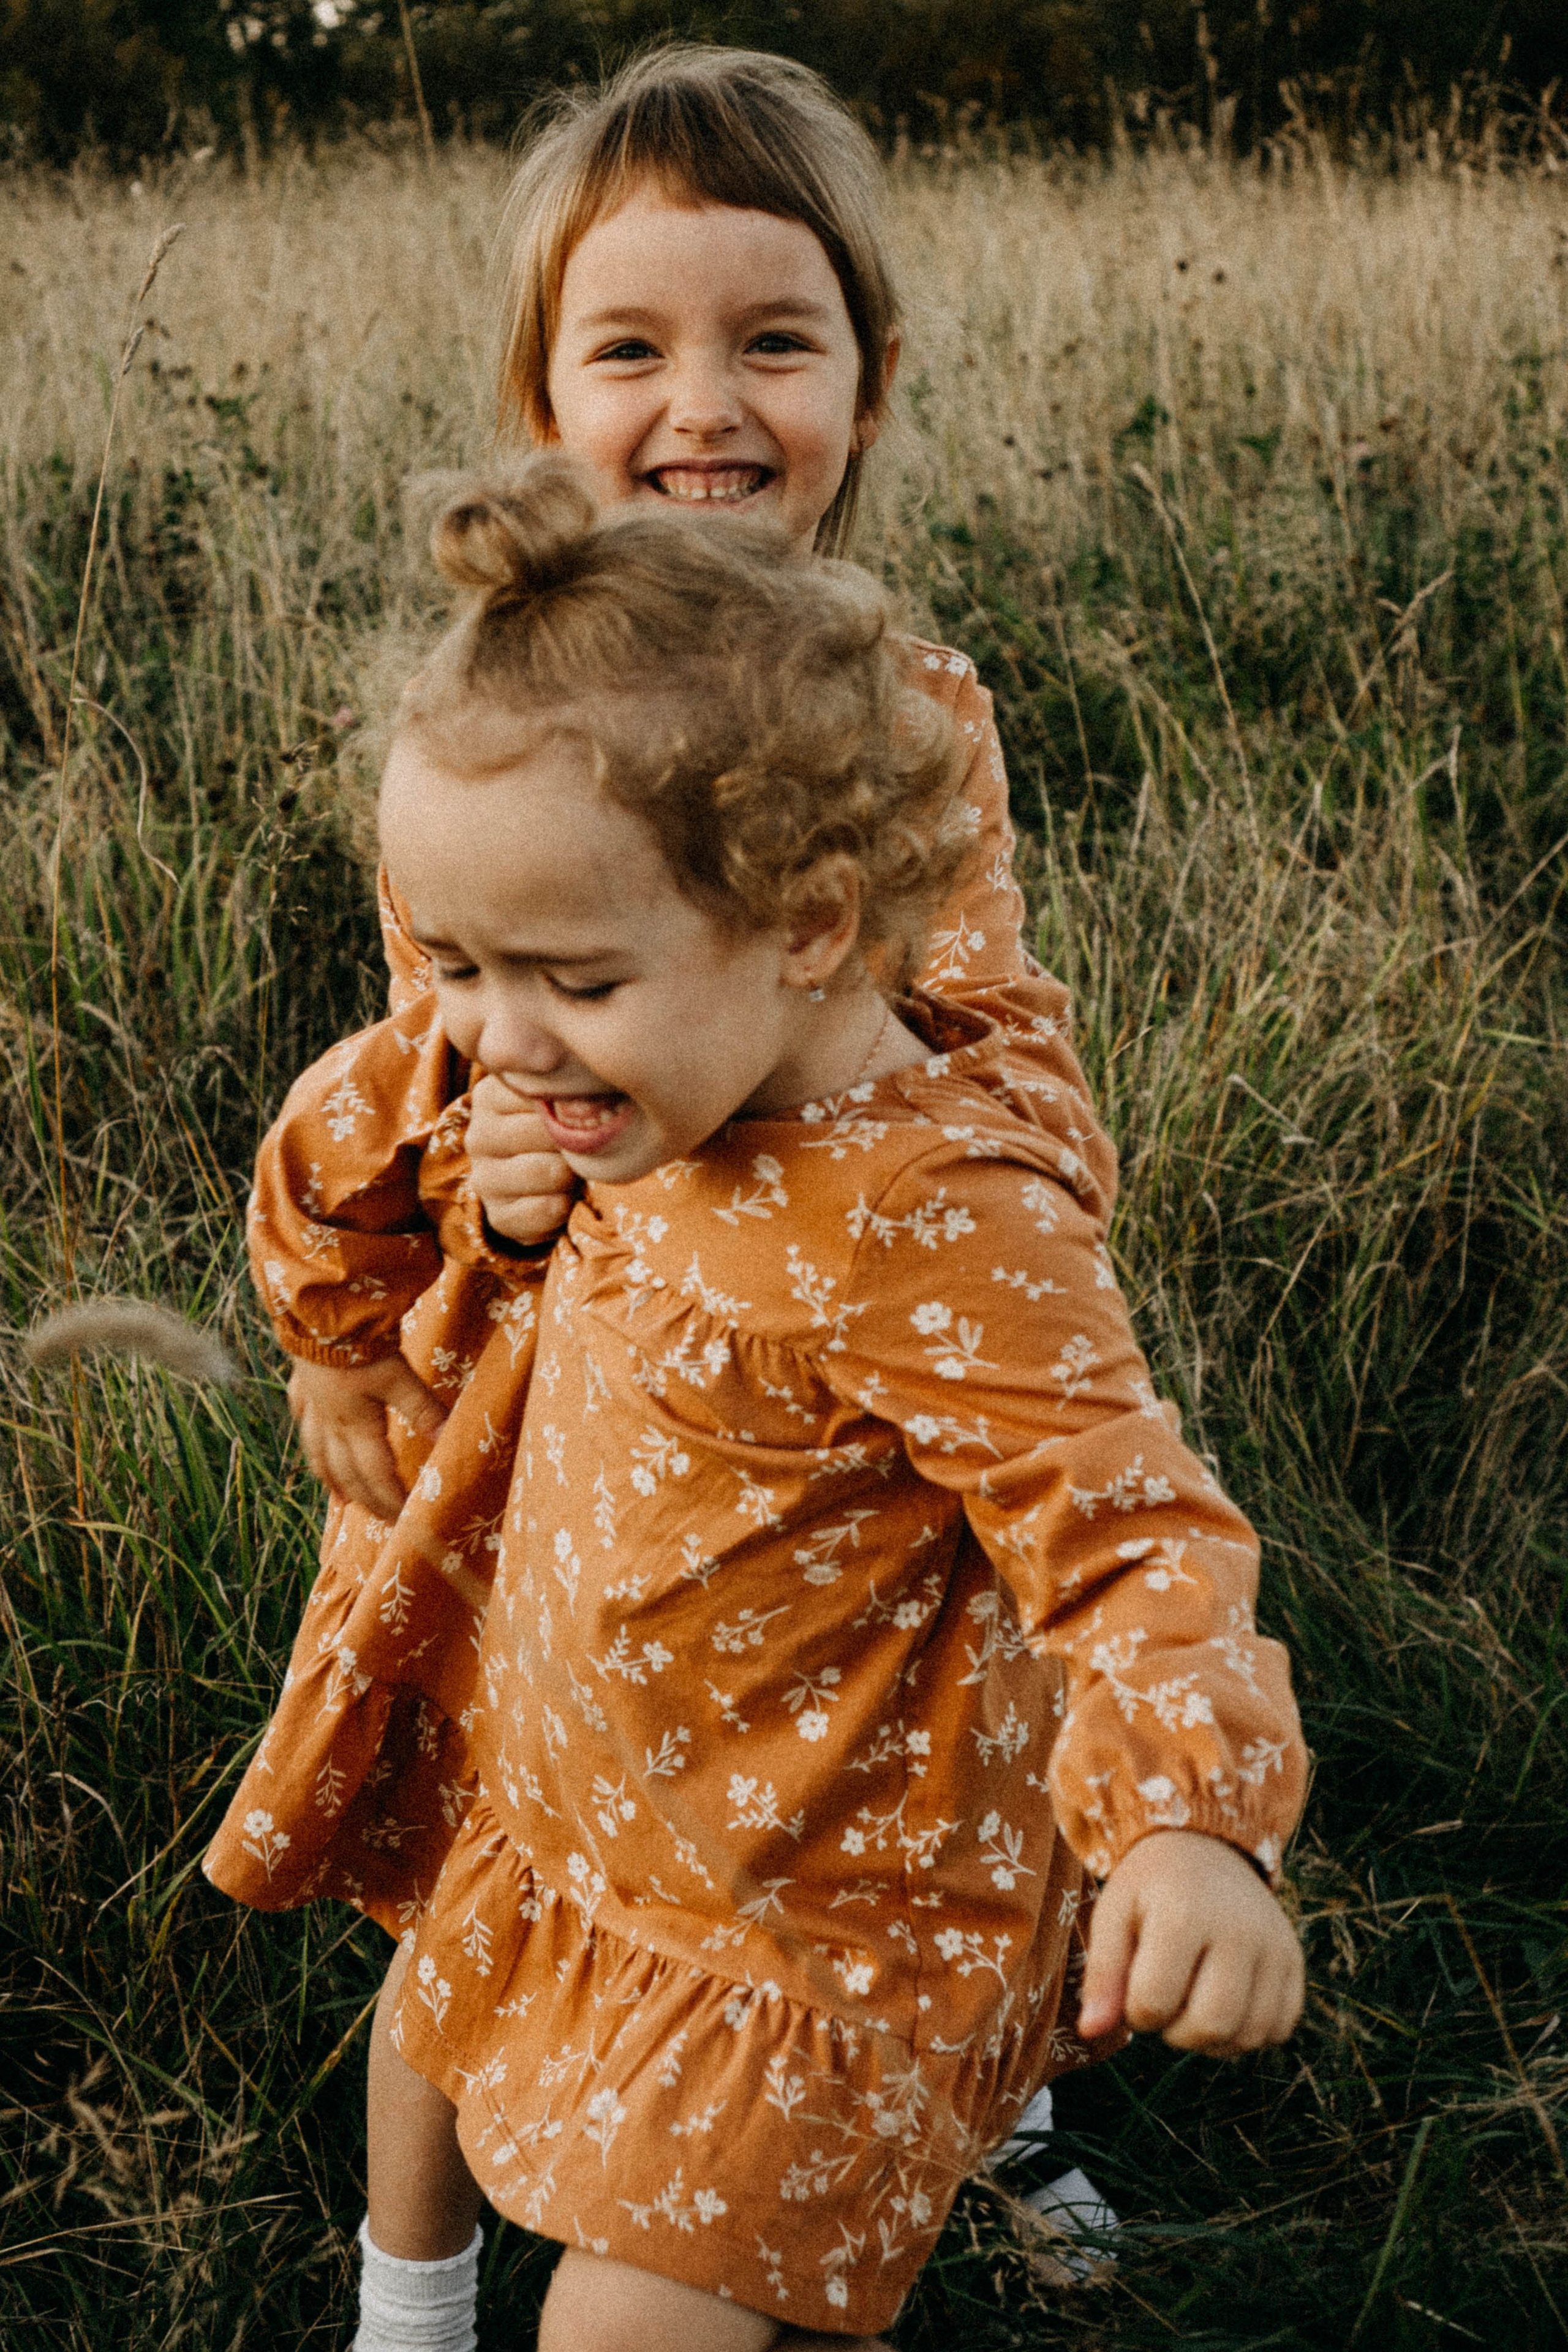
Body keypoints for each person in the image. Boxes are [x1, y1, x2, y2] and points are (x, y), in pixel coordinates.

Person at [200, 47, 1305, 2352]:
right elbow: (444, 1064)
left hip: (817, 1407)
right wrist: (491, 1210)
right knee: (486, 1866)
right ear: (545, 394)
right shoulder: (510, 700)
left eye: (770, 339)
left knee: (856, 1803)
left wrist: (874, 1176)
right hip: (552, 1423)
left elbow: (997, 1056)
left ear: (866, 385)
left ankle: (939, 2083)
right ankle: (409, 2296)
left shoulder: (914, 715)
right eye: (632, 346)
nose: (704, 399)